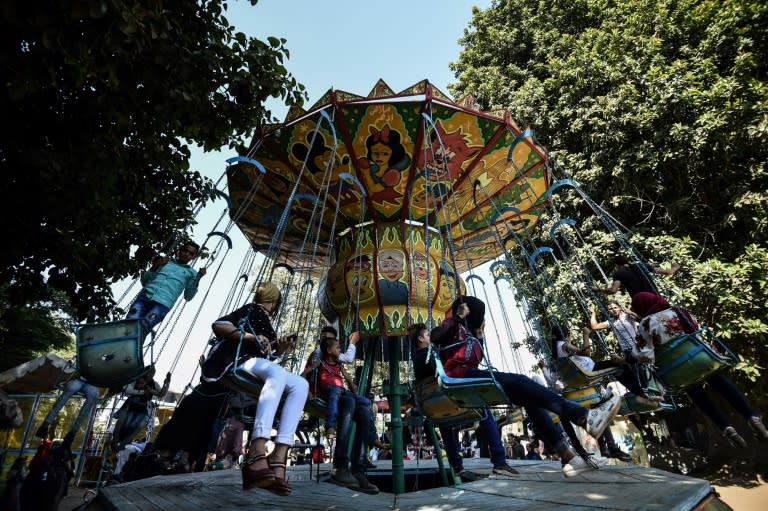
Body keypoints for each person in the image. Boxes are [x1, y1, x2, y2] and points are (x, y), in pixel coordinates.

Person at [430, 296, 622, 477]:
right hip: (458, 376)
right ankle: (583, 417)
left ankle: (569, 457)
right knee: (521, 381)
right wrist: (457, 317)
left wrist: (479, 333)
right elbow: (435, 336)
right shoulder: (452, 325)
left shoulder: (469, 333)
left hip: (469, 377)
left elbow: (476, 357)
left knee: (531, 400)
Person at [631, 291, 768, 446]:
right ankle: (751, 416)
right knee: (717, 379)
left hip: (677, 371)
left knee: (693, 388)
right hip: (701, 358)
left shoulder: (646, 323)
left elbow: (646, 355)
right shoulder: (679, 311)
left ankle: (726, 427)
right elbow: (695, 328)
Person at [209, 281, 308, 496]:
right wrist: (250, 336)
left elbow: (269, 355)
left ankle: (279, 455)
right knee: (278, 373)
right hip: (238, 360)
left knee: (301, 384)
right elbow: (219, 325)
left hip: (256, 364)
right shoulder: (251, 310)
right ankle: (257, 449)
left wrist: (280, 348)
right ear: (274, 301)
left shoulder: (266, 324)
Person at [409, 322, 519, 478]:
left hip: (433, 407)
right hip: (449, 401)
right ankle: (499, 461)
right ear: (421, 339)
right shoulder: (432, 354)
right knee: (484, 411)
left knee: (445, 424)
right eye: (428, 335)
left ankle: (457, 466)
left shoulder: (416, 360)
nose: (431, 337)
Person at [301, 334, 379, 494]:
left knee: (364, 408)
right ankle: (340, 466)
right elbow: (305, 373)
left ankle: (359, 469)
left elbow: (347, 377)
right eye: (337, 347)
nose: (339, 349)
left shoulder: (337, 363)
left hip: (342, 393)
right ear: (329, 350)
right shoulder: (319, 359)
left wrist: (351, 383)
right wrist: (307, 390)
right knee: (348, 400)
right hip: (329, 394)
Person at [551, 324, 660, 405]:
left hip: (581, 374)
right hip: (589, 370)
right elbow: (586, 353)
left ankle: (640, 394)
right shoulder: (564, 345)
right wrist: (586, 335)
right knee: (620, 365)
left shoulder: (556, 351)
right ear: (566, 335)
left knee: (618, 368)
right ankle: (642, 394)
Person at [126, 241, 207, 334]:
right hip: (145, 296)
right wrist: (155, 266)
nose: (187, 254)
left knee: (145, 326)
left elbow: (188, 296)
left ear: (193, 257)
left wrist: (198, 278)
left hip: (163, 304)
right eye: (185, 250)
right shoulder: (165, 262)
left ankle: (132, 347)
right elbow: (145, 281)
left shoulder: (192, 274)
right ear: (180, 250)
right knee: (130, 323)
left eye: (191, 253)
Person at [111, 368, 170, 451]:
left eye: (152, 373)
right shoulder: (136, 379)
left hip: (141, 408)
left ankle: (121, 447)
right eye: (149, 372)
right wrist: (142, 391)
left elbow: (161, 394)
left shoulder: (154, 384)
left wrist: (166, 383)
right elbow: (127, 389)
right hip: (130, 405)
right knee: (119, 424)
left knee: (137, 428)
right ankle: (114, 442)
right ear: (145, 372)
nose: (150, 375)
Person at [34, 375, 101, 442]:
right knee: (72, 387)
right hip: (78, 378)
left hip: (91, 383)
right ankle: (45, 424)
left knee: (93, 394)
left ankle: (72, 433)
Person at [592, 255, 680, 297]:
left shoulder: (619, 273)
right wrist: (674, 267)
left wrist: (598, 290)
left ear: (616, 265)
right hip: (655, 297)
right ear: (627, 261)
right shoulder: (642, 265)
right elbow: (668, 272)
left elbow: (613, 290)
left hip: (641, 301)